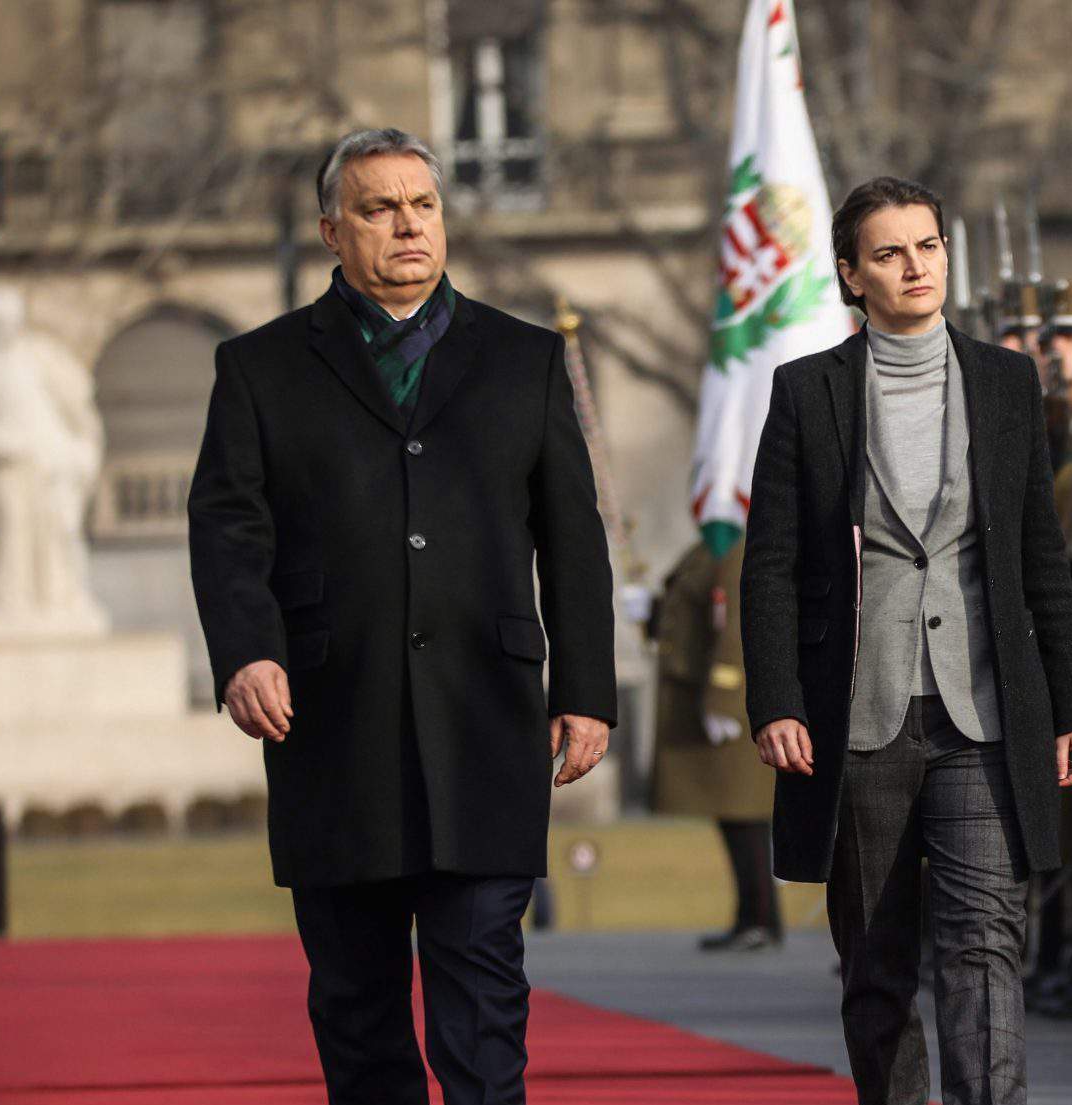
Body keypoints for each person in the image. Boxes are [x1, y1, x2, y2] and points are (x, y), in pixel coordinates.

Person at [188, 128, 616, 1105]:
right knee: (357, 1009)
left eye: (422, 204)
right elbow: (228, 527)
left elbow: (573, 536)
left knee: (483, 1005)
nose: (407, 225)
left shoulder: (526, 359)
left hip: (486, 722)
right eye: (379, 208)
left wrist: (587, 688)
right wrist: (247, 652)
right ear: (332, 230)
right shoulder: (259, 368)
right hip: (333, 725)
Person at [740, 175, 1072, 1105]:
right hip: (860, 715)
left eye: (929, 246)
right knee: (877, 960)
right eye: (890, 253)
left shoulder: (1006, 380)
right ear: (851, 274)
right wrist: (777, 698)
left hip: (982, 709)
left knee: (984, 942)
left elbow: (1040, 556)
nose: (916, 266)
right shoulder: (807, 391)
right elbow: (772, 563)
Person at [646, 536, 781, 951]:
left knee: (744, 814)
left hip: (729, 703)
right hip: (702, 694)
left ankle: (760, 919)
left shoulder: (735, 546)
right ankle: (753, 916)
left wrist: (724, 695)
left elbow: (735, 626)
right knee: (733, 815)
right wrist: (649, 613)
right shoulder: (708, 545)